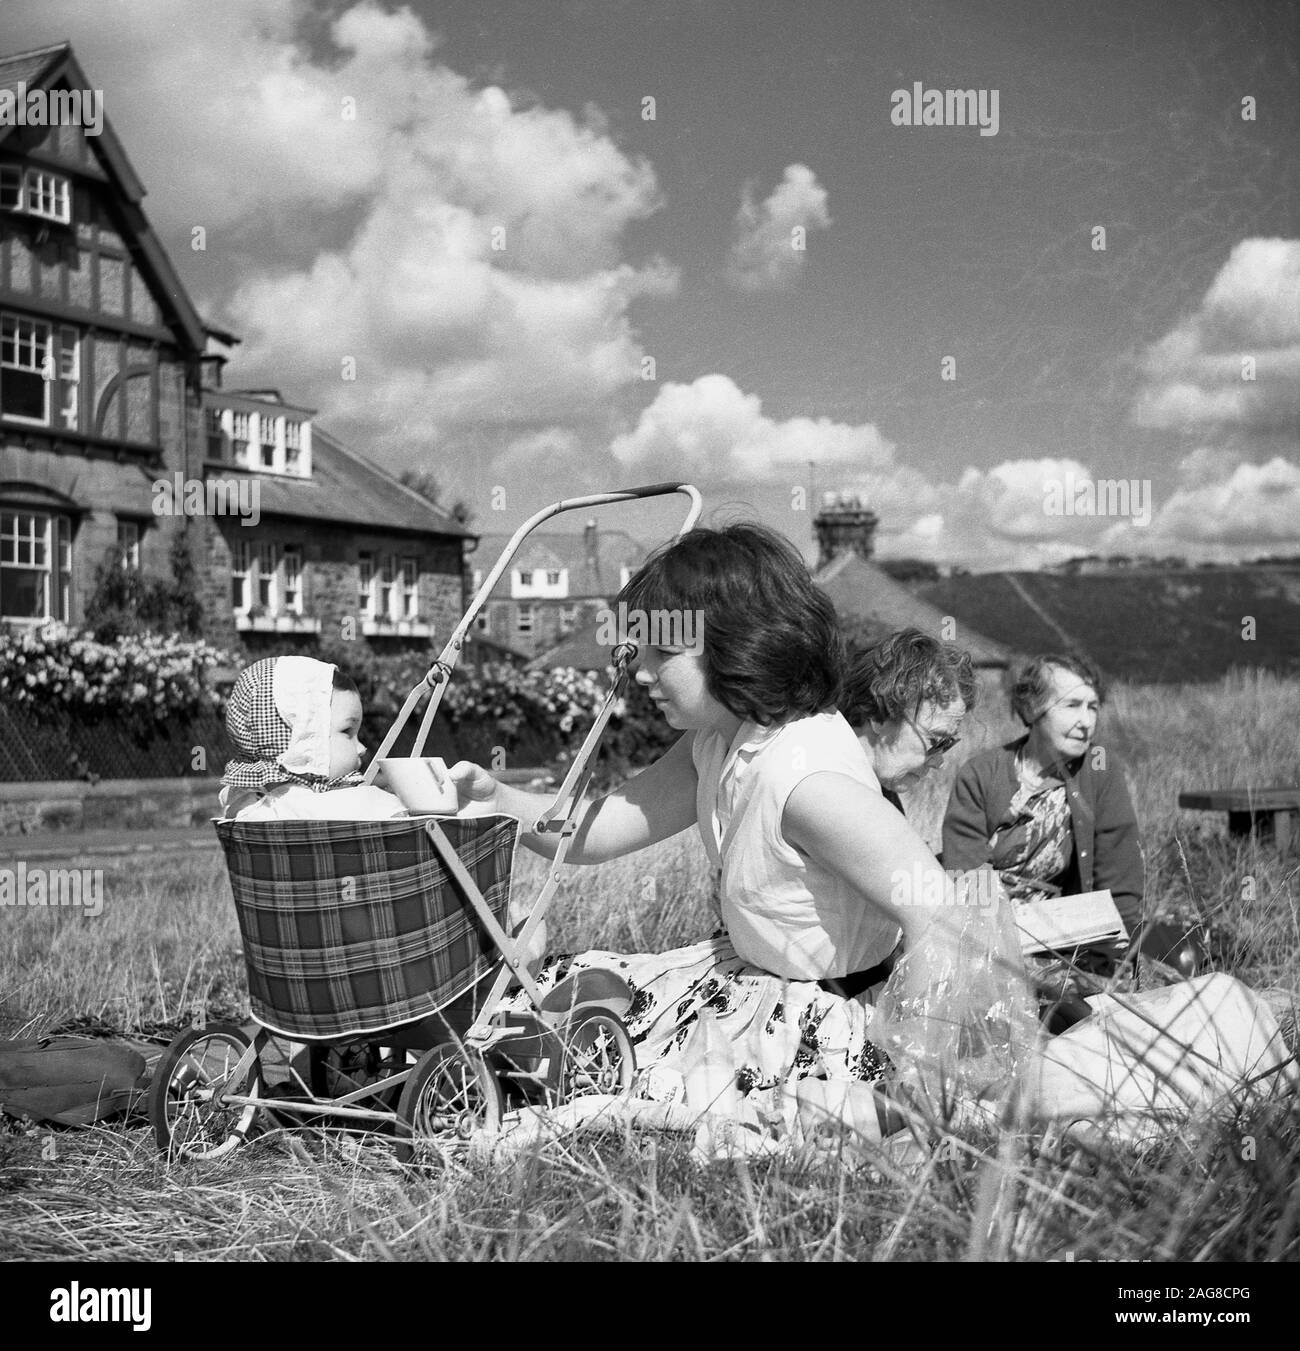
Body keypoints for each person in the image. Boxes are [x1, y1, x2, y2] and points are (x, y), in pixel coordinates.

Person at [446, 524, 977, 1122]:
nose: (641, 673)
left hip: (819, 1015)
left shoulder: (806, 780)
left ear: (742, 646)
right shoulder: (715, 740)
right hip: (744, 981)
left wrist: (916, 1065)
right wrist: (491, 796)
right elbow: (591, 833)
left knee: (610, 1080)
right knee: (547, 999)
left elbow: (939, 912)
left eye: (663, 653)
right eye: (638, 651)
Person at [941, 652, 1149, 1024]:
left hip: (1069, 944)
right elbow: (966, 874)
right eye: (1071, 705)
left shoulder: (1100, 772)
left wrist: (1118, 956)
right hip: (988, 939)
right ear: (1034, 709)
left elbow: (1121, 883)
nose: (1086, 722)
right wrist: (1006, 942)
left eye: (1093, 707)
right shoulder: (981, 775)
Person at [219, 656, 406, 822]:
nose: (362, 748)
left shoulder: (242, 807)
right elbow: (392, 810)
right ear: (304, 738)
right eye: (347, 731)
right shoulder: (356, 806)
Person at [840, 627, 975, 810]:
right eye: (935, 741)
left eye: (947, 744)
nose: (938, 762)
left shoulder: (875, 794)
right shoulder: (825, 788)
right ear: (879, 717)